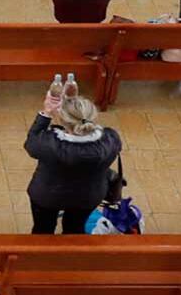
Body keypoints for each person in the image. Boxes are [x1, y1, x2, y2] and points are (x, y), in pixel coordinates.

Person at [24, 81, 121, 234]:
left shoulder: (49, 144)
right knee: (75, 228)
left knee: (42, 229)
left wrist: (47, 111)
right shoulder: (110, 140)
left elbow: (31, 143)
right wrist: (73, 103)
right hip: (88, 196)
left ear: (63, 121)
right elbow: (93, 128)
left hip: (48, 195)